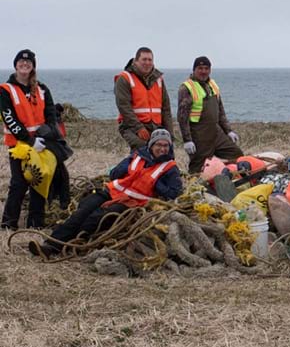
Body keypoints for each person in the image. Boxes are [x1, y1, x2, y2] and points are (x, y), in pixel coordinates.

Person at [29, 129, 182, 258]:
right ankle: (51, 245)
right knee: (82, 211)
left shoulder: (170, 168)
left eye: (165, 145)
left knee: (95, 219)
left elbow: (174, 193)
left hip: (131, 203)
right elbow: (114, 174)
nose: (162, 149)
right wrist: (122, 169)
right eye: (159, 145)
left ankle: (72, 245)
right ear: (151, 145)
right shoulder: (137, 156)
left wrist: (157, 184)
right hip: (112, 191)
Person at [1, 50, 71, 229]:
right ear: (16, 65)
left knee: (40, 182)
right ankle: (8, 224)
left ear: (33, 67)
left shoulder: (42, 89)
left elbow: (51, 116)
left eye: (28, 63)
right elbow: (10, 119)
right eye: (21, 62)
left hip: (42, 144)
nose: (25, 65)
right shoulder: (6, 90)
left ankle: (36, 223)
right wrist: (30, 141)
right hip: (19, 145)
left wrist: (45, 137)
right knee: (19, 183)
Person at [177, 56, 243, 173]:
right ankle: (195, 188)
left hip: (216, 132)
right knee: (198, 168)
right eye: (200, 68)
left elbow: (220, 110)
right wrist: (187, 140)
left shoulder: (213, 85)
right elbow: (182, 117)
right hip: (199, 135)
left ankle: (226, 177)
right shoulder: (186, 88)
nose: (203, 71)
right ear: (194, 70)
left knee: (237, 155)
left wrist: (228, 131)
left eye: (206, 68)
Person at [114, 47, 173, 151]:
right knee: (143, 151)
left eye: (150, 60)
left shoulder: (158, 79)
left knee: (165, 155)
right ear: (136, 61)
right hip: (132, 126)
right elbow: (124, 107)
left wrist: (169, 133)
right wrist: (139, 128)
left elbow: (166, 108)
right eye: (144, 59)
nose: (147, 63)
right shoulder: (125, 78)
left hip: (156, 126)